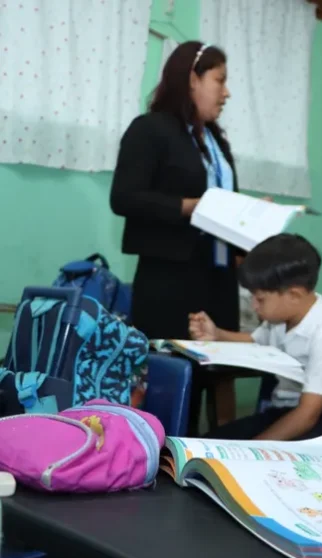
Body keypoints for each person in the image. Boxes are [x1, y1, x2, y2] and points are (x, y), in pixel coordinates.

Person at [110, 42, 241, 429]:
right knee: (167, 383)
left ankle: (199, 463)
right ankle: (153, 463)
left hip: (218, 278)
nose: (226, 92)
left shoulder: (216, 143)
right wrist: (191, 206)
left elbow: (222, 204)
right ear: (191, 79)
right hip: (169, 280)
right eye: (220, 81)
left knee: (210, 378)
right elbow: (125, 197)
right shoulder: (151, 129)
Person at [190, 233, 322, 441]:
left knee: (239, 453)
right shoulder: (280, 320)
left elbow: (308, 415)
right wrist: (217, 334)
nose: (254, 306)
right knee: (209, 441)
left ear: (294, 295)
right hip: (286, 411)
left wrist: (251, 449)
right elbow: (253, 340)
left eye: (260, 299)